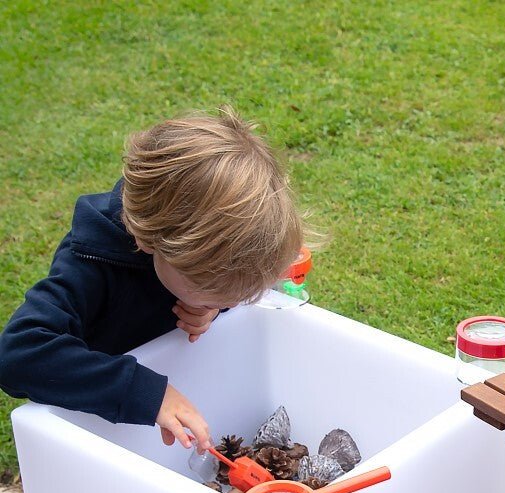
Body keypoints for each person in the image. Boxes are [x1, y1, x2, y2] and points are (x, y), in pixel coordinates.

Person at [0, 108, 304, 451]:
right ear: (147, 241)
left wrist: (209, 309)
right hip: (96, 434)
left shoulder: (188, 262)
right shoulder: (90, 264)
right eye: (213, 295)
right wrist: (145, 393)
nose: (227, 305)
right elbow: (18, 354)